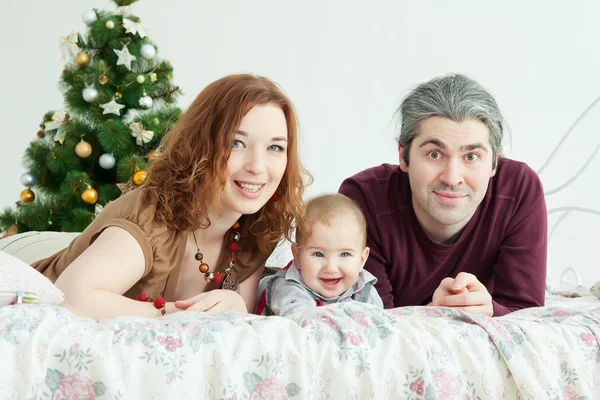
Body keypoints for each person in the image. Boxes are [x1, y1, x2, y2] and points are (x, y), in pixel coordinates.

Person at [33, 74, 311, 320]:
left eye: (275, 147)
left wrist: (234, 303)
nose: (257, 166)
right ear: (201, 147)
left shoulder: (256, 227)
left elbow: (239, 320)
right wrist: (181, 314)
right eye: (236, 143)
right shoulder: (151, 221)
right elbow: (70, 298)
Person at [339, 74, 547, 317]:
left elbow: (526, 316)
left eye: (471, 157)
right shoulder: (362, 200)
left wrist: (490, 310)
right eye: (434, 154)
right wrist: (434, 314)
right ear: (403, 155)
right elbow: (370, 322)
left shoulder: (519, 189)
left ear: (494, 163)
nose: (452, 177)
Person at [255, 193, 383, 316]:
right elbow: (304, 326)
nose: (331, 268)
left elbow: (381, 327)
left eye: (344, 254)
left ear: (361, 260)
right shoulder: (288, 289)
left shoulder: (366, 291)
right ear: (298, 257)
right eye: (318, 254)